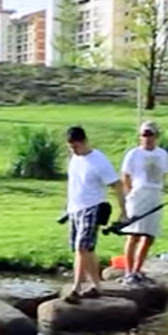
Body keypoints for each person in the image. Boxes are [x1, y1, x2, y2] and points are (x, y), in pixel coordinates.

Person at [64, 126, 128, 303]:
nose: (73, 150)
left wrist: (123, 212)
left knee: (82, 248)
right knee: (87, 250)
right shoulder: (74, 158)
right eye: (70, 147)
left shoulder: (99, 161)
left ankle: (76, 287)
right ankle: (97, 286)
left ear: (84, 141)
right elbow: (74, 184)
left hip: (92, 207)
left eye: (75, 146)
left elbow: (116, 185)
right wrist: (67, 207)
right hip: (74, 209)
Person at [120, 120, 168, 285]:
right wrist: (129, 194)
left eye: (150, 134)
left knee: (148, 236)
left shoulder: (162, 154)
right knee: (133, 235)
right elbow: (126, 175)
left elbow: (164, 174)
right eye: (144, 134)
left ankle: (137, 269)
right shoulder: (134, 154)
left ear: (156, 136)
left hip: (154, 194)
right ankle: (129, 271)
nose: (147, 138)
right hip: (138, 195)